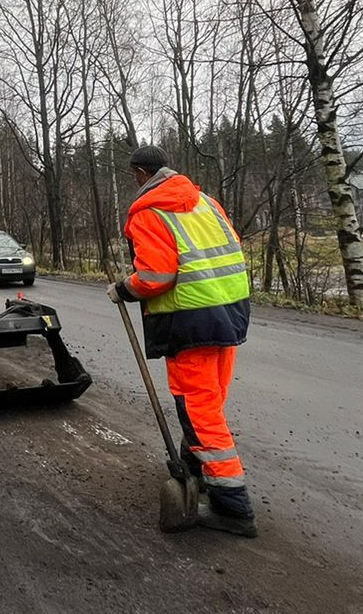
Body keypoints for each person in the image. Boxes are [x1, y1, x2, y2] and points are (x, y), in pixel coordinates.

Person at [108, 145, 256, 537]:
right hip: (230, 313)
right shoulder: (206, 202)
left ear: (140, 174)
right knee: (210, 402)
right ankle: (196, 470)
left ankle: (233, 507)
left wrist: (124, 288)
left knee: (200, 411)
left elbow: (156, 277)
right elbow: (232, 250)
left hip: (190, 321)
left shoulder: (148, 212)